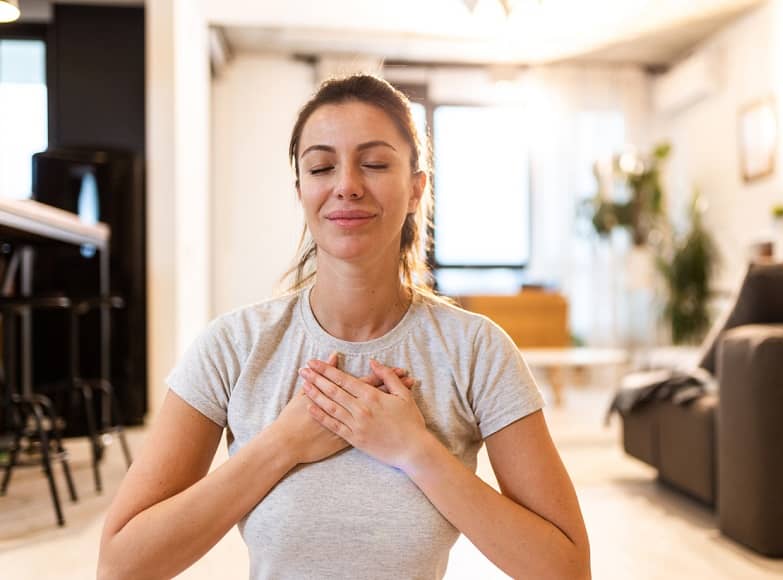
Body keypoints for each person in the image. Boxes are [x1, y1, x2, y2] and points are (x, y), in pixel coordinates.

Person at [98, 74, 590, 580]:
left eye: (374, 163)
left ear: (417, 188)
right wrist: (281, 445)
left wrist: (416, 452)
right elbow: (121, 565)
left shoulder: (476, 350)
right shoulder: (233, 347)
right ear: (301, 190)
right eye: (321, 166)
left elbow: (566, 569)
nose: (347, 184)